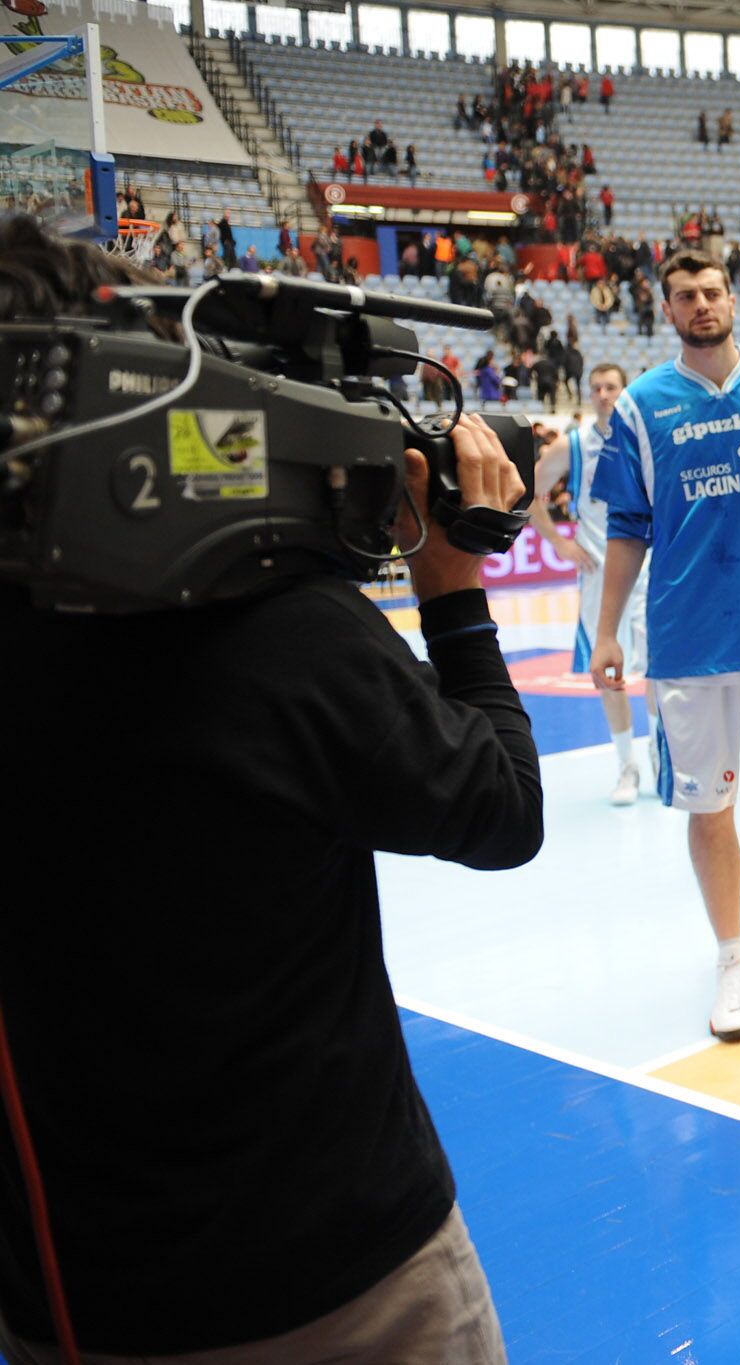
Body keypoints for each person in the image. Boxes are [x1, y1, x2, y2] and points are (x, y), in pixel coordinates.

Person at [0, 219, 539, 1362]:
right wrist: (450, 583)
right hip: (344, 1284)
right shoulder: (284, 633)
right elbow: (499, 807)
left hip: (71, 1295)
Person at [590, 249, 740, 1042]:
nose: (701, 304)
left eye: (711, 291)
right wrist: (605, 629)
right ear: (666, 310)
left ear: (734, 297)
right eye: (684, 296)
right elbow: (627, 529)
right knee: (708, 805)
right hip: (688, 640)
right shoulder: (639, 406)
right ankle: (734, 955)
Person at [530, 365, 649, 803]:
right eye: (596, 388)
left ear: (624, 391)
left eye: (611, 387)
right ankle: (627, 768)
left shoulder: (645, 433)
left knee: (659, 672)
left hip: (650, 569)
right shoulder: (573, 444)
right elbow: (528, 491)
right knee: (608, 674)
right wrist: (559, 544)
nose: (603, 394)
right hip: (600, 575)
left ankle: (661, 759)